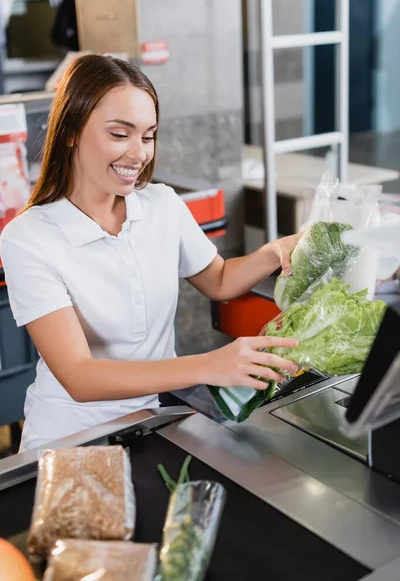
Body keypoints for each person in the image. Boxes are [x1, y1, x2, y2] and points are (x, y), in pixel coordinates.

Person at [0, 55, 301, 451]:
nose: (139, 154)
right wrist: (210, 364)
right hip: (69, 440)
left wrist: (273, 251)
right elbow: (79, 376)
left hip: (154, 422)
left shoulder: (161, 204)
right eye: (120, 134)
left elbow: (219, 279)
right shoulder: (28, 236)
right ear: (71, 131)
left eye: (147, 136)